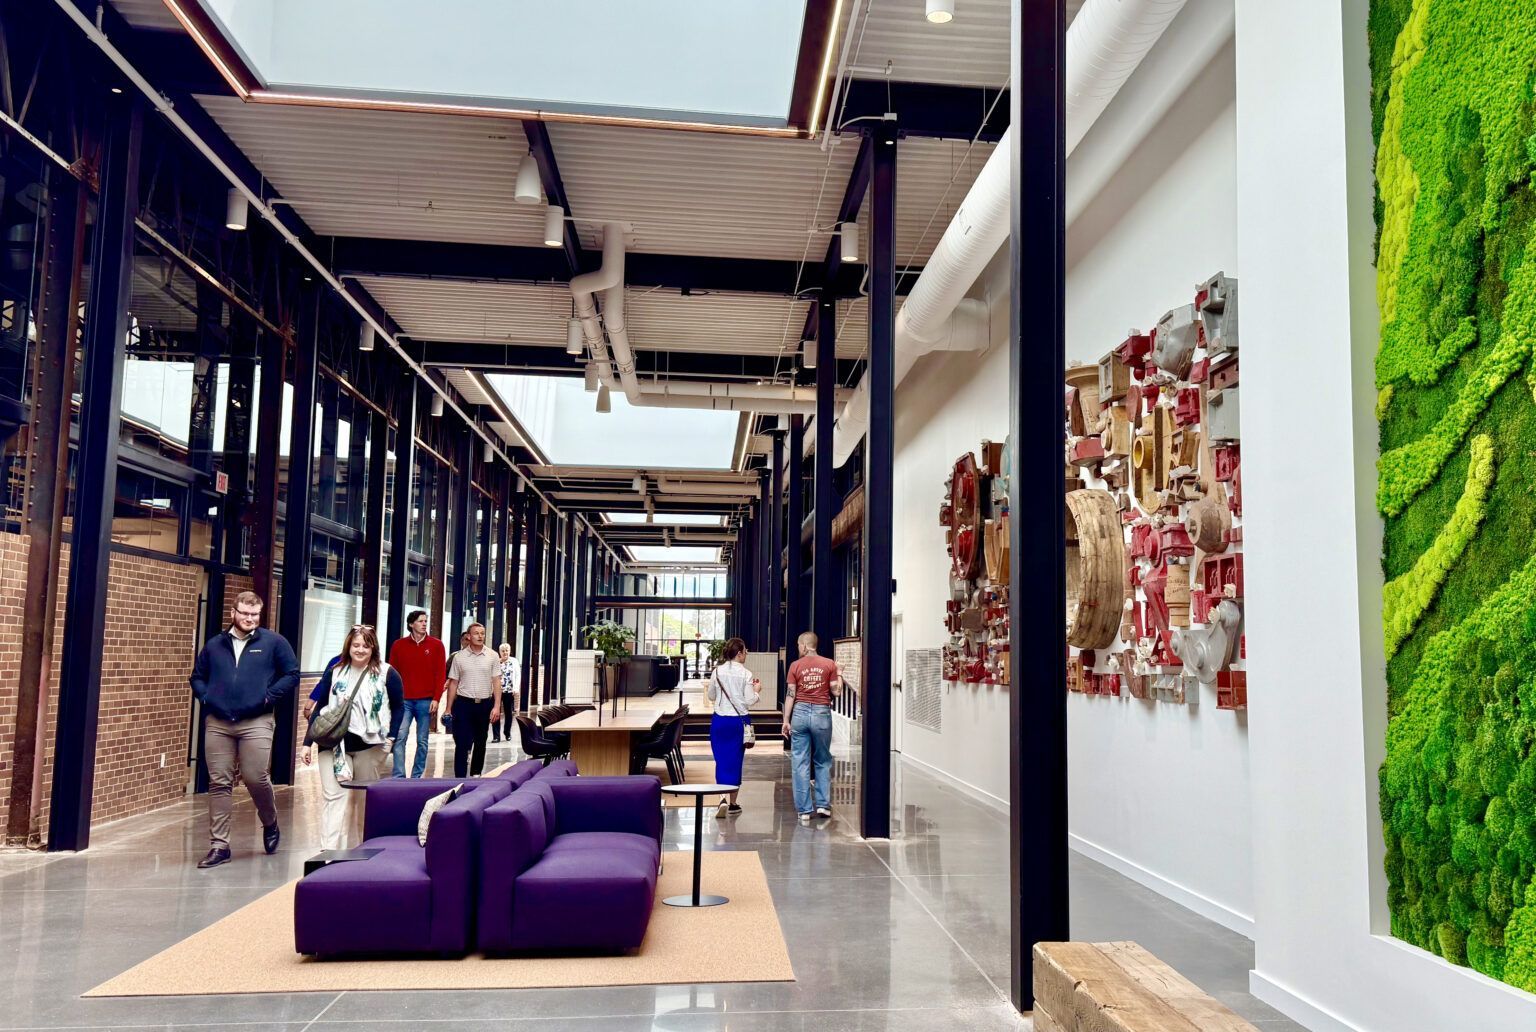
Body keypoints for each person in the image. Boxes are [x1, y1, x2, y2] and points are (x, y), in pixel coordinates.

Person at [188, 590, 299, 869]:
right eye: (245, 613)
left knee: (254, 776)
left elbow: (292, 674)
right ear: (233, 613)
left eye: (255, 614)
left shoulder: (273, 642)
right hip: (219, 722)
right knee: (220, 782)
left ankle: (270, 822)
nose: (250, 619)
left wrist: (268, 697)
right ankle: (219, 845)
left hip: (256, 721)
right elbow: (197, 677)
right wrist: (206, 697)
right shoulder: (215, 645)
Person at [301, 624, 403, 850]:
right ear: (348, 646)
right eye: (356, 645)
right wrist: (307, 743)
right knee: (334, 797)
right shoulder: (335, 671)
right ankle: (328, 853)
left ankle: (359, 850)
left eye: (366, 646)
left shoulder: (387, 673)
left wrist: (391, 740)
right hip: (333, 744)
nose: (360, 650)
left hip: (371, 747)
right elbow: (321, 709)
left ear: (373, 648)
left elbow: (398, 708)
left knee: (362, 801)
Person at [783, 631, 840, 824]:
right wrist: (839, 673)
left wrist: (786, 720)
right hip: (822, 714)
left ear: (804, 645)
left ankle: (804, 811)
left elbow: (791, 695)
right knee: (822, 759)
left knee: (800, 761)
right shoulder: (829, 664)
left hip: (799, 713)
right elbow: (836, 691)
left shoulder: (795, 666)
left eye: (799, 646)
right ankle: (823, 805)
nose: (798, 649)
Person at [434, 622, 501, 777]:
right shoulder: (459, 657)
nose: (480, 636)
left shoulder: (492, 656)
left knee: (481, 740)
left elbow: (497, 681)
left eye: (482, 633)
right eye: (476, 633)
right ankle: (459, 777)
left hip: (484, 704)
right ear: (469, 637)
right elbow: (453, 684)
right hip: (463, 704)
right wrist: (448, 708)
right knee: (462, 742)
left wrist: (497, 706)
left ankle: (476, 773)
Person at [386, 610, 446, 778]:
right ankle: (399, 776)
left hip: (426, 700)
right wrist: (393, 699)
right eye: (420, 621)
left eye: (425, 621)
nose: (424, 624)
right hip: (404, 701)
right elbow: (392, 674)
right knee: (400, 737)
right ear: (411, 624)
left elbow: (440, 674)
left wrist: (436, 698)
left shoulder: (436, 645)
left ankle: (416, 776)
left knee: (422, 741)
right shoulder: (398, 645)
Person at [708, 637, 760, 817]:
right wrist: (757, 691)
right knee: (735, 760)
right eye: (745, 651)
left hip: (720, 721)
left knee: (721, 760)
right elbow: (749, 700)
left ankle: (722, 797)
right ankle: (733, 803)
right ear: (739, 653)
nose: (746, 654)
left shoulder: (717, 672)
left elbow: (711, 696)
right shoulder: (746, 674)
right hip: (739, 722)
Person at [492, 642, 519, 744]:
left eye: (506, 650)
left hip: (509, 691)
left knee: (508, 713)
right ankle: (496, 736)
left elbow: (517, 676)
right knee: (495, 713)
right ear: (500, 652)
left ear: (509, 651)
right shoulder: (496, 662)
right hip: (497, 691)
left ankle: (507, 733)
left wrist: (516, 688)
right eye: (503, 651)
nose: (505, 653)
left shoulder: (514, 662)